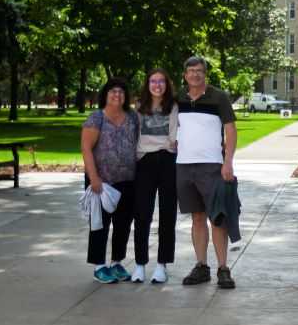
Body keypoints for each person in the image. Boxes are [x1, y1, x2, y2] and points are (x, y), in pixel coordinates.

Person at [174, 56, 239, 288]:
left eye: (199, 71)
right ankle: (201, 266)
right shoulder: (178, 98)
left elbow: (230, 130)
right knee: (197, 217)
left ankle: (223, 268)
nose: (195, 75)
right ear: (185, 75)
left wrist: (228, 162)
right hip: (183, 165)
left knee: (218, 218)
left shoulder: (218, 97)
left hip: (212, 165)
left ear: (205, 74)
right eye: (191, 71)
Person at [80, 78, 139, 283]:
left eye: (121, 92)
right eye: (113, 91)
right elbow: (86, 148)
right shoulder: (97, 118)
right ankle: (99, 266)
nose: (117, 95)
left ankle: (116, 262)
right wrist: (93, 178)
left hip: (128, 180)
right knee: (99, 224)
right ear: (105, 94)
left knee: (123, 224)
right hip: (101, 181)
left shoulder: (132, 117)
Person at [130, 67, 180, 284]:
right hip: (145, 162)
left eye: (161, 81)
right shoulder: (139, 106)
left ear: (167, 84)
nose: (157, 85)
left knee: (167, 214)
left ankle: (162, 265)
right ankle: (140, 264)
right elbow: (136, 133)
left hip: (168, 161)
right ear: (147, 84)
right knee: (142, 214)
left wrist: (165, 146)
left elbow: (173, 136)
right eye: (153, 81)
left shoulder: (173, 106)